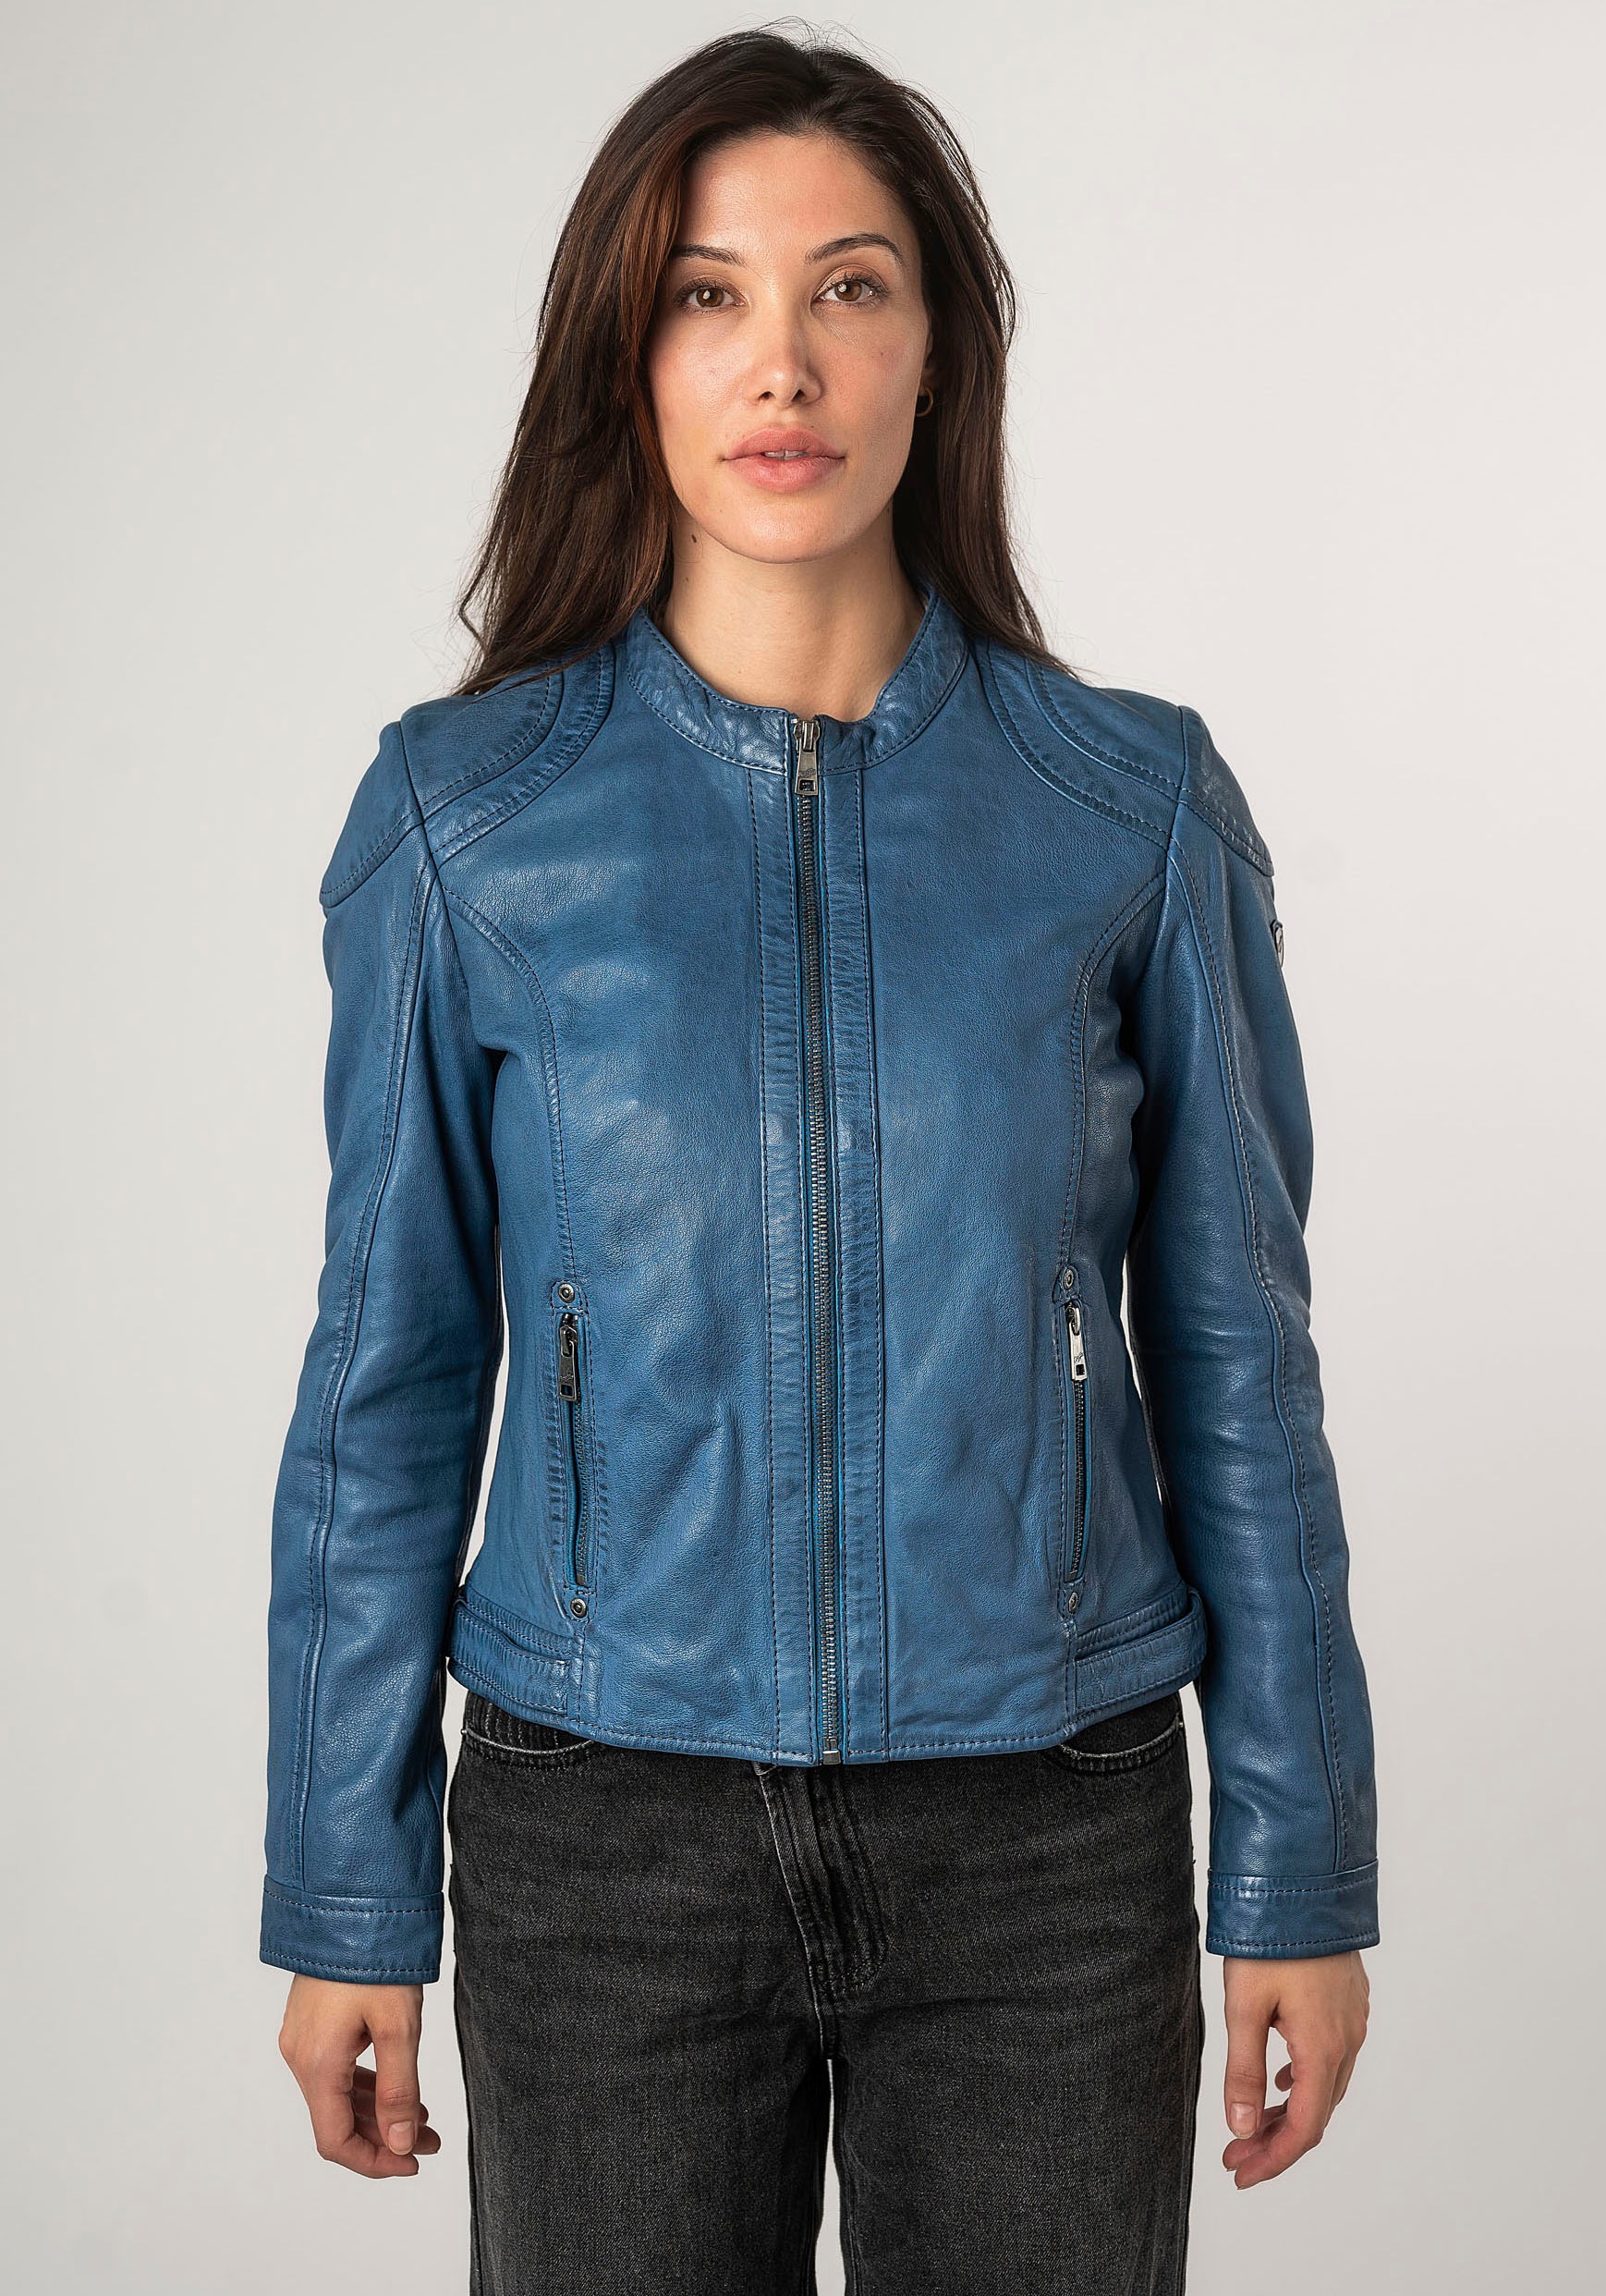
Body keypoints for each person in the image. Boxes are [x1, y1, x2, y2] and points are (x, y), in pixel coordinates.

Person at [264, 26, 1377, 2291]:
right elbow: (385, 1390)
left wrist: (1294, 1862)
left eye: (847, 288)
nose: (780, 363)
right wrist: (344, 1888)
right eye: (707, 295)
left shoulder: (1128, 812)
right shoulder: (466, 825)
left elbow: (1239, 1376)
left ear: (936, 347)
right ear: (630, 354)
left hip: (1046, 1837)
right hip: (603, 1841)